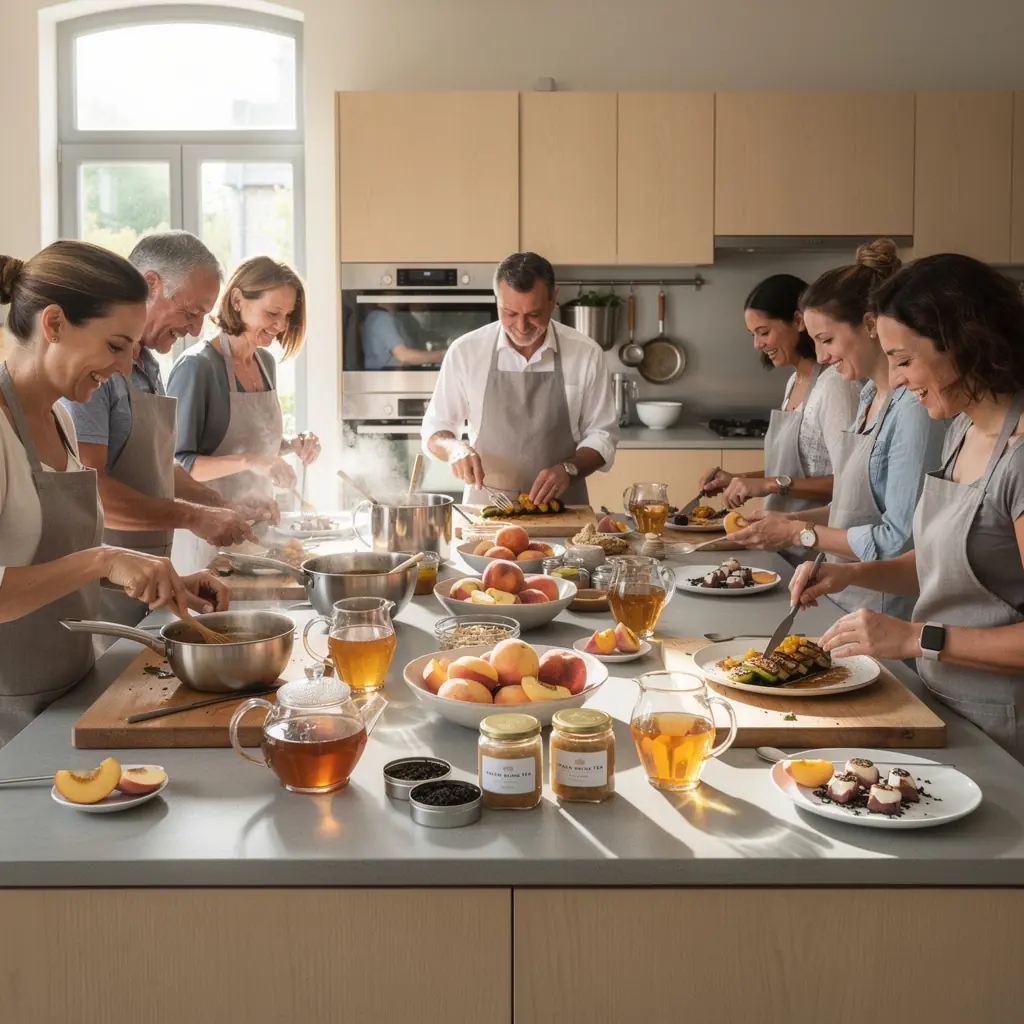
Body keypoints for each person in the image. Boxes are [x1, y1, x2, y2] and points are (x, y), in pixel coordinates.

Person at [791, 254, 1024, 755]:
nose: (895, 379)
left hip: (1004, 729)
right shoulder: (963, 431)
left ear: (963, 342)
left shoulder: (1020, 457)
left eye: (903, 359)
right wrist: (850, 574)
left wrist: (917, 638)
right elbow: (945, 567)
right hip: (941, 704)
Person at [0, 241, 228, 746]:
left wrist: (166, 581)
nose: (125, 367)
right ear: (53, 324)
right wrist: (104, 560)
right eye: (114, 346)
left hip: (67, 698)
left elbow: (55, 565)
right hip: (9, 719)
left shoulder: (59, 419)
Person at [728, 239, 947, 619]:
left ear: (869, 324)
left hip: (885, 610)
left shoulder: (912, 407)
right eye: (815, 341)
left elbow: (898, 541)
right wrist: (787, 521)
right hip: (843, 594)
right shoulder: (866, 400)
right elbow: (851, 510)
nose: (823, 356)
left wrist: (798, 534)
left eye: (826, 340)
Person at [62, 231, 260, 624]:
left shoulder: (150, 367)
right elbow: (90, 491)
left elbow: (159, 468)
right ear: (152, 285)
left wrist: (218, 504)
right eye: (190, 312)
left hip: (152, 580)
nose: (195, 330)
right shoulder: (93, 372)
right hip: (103, 593)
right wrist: (193, 517)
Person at [420, 251, 618, 506]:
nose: (522, 327)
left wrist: (570, 469)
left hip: (564, 509)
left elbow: (603, 434)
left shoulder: (586, 353)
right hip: (487, 507)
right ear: (497, 300)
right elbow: (436, 428)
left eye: (533, 314)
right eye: (510, 313)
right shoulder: (466, 352)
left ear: (553, 299)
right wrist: (454, 449)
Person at [168, 256, 320, 574]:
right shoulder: (198, 366)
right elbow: (178, 466)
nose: (281, 326)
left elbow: (255, 443)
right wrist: (251, 460)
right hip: (208, 541)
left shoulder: (265, 363)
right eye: (272, 313)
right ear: (238, 301)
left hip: (258, 530)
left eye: (288, 316)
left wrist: (293, 445)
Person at [699, 274, 861, 562]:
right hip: (784, 543)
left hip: (819, 549)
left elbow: (849, 485)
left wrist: (770, 484)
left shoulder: (835, 386)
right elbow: (800, 469)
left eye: (763, 332)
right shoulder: (794, 383)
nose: (757, 344)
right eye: (753, 335)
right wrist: (739, 479)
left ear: (798, 322)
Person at [362, 306, 446, 369]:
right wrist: (443, 355)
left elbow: (421, 334)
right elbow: (403, 355)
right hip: (387, 379)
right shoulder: (382, 318)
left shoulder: (395, 317)